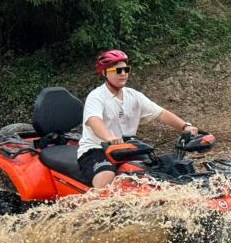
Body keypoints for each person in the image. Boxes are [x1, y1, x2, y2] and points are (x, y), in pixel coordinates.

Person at [77, 49, 199, 188]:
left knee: (158, 168)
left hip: (126, 149)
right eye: (118, 70)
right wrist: (109, 137)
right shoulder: (97, 96)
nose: (123, 73)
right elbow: (94, 120)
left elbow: (161, 113)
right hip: (96, 149)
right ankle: (96, 207)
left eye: (125, 69)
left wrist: (185, 126)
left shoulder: (133, 96)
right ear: (105, 72)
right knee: (106, 176)